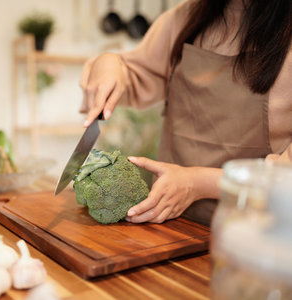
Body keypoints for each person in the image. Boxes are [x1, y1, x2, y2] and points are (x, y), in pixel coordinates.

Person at [79, 0, 291, 226]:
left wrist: (197, 183)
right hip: (170, 228)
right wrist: (109, 63)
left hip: (259, 237)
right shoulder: (184, 17)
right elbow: (134, 74)